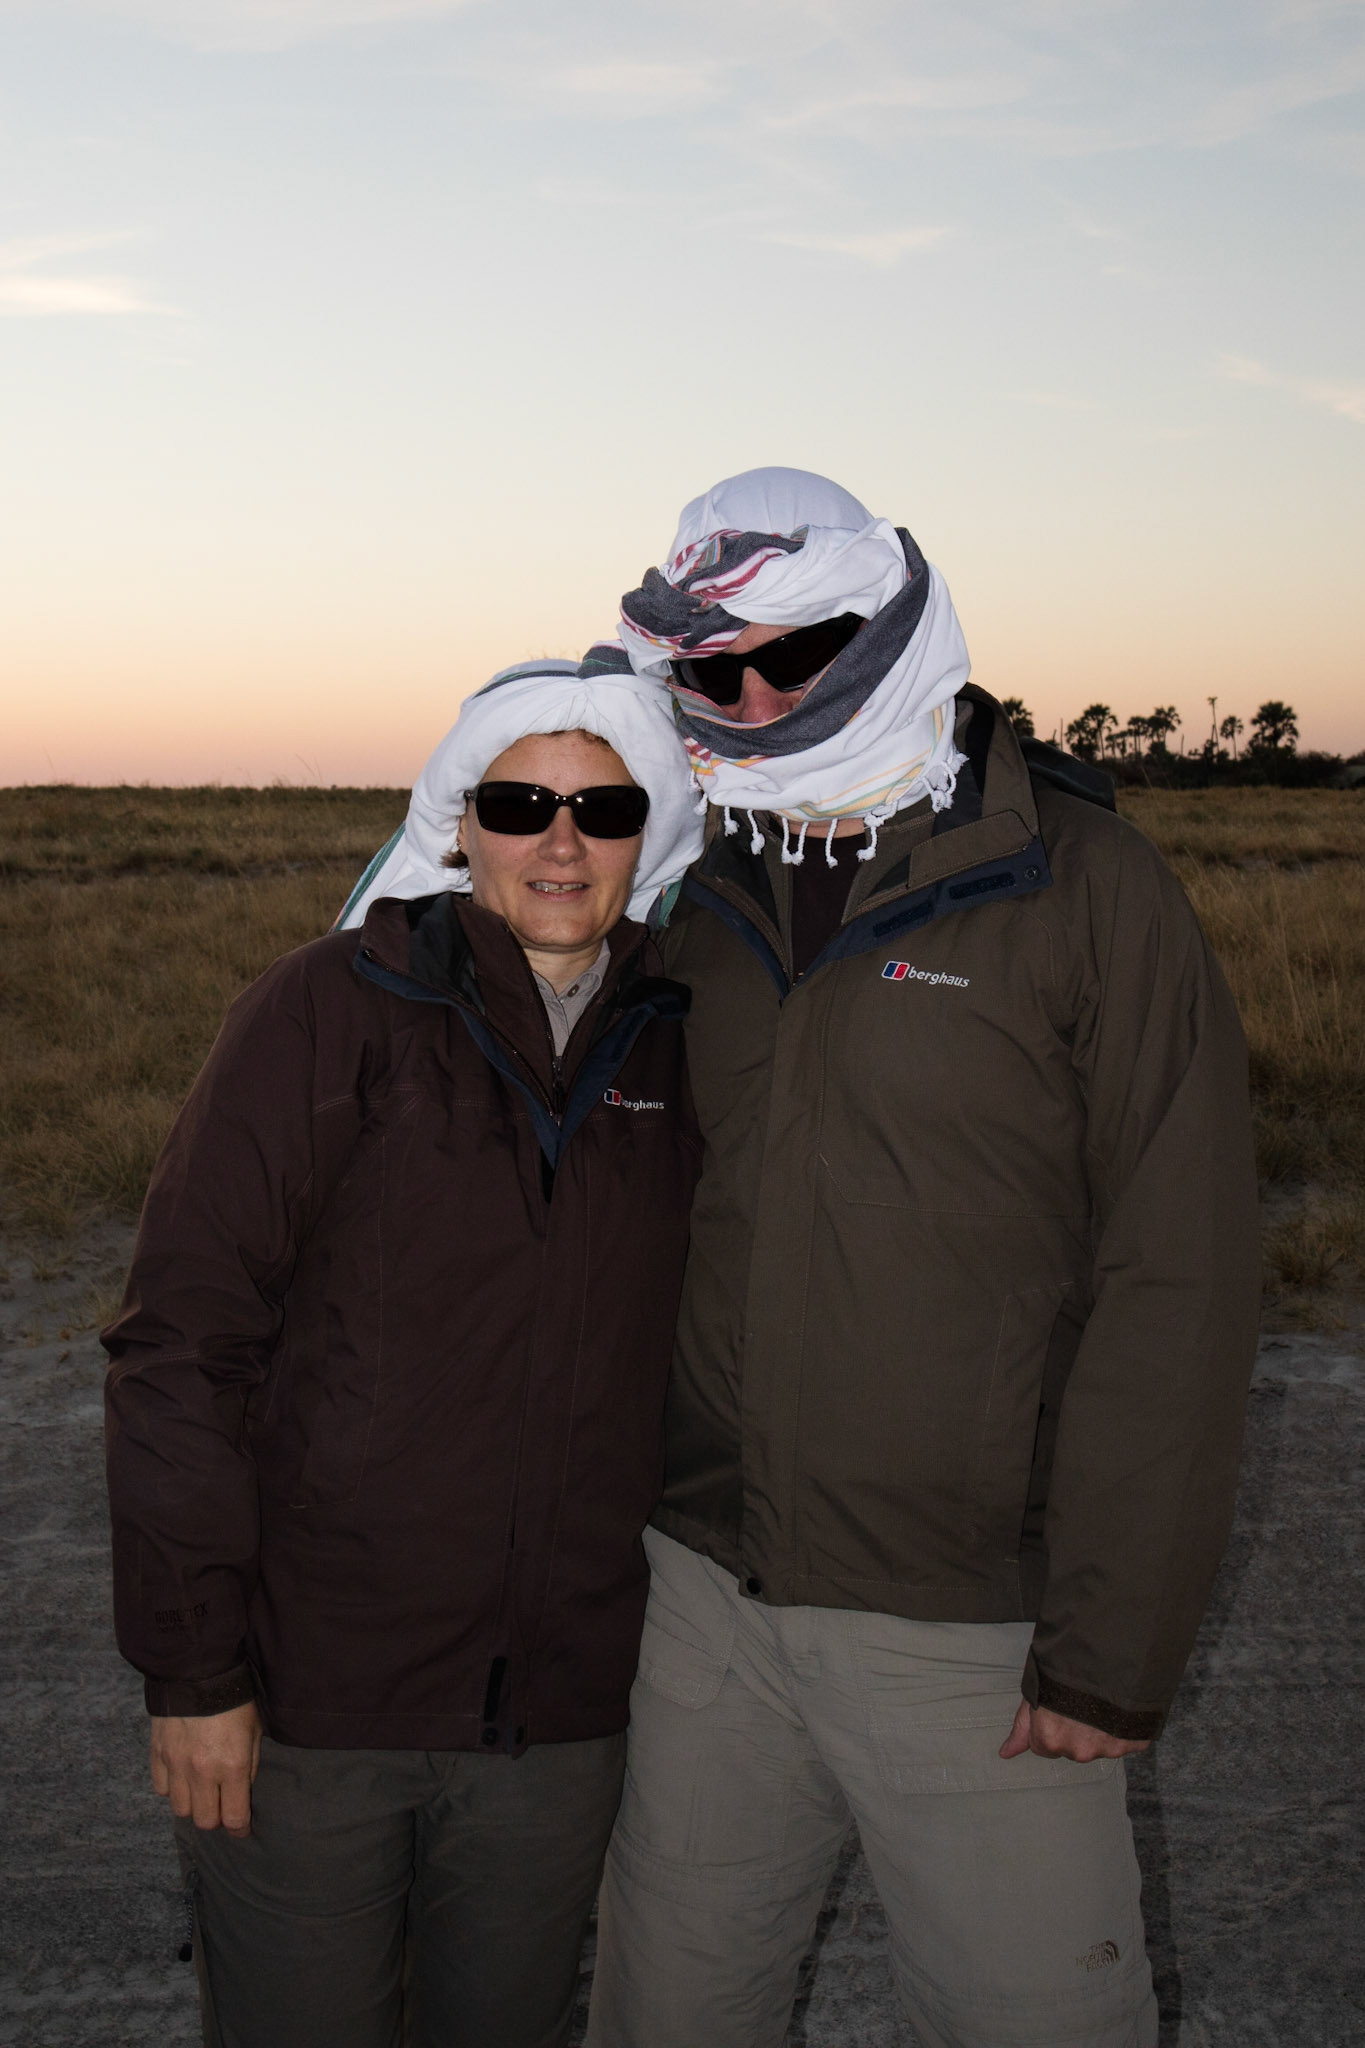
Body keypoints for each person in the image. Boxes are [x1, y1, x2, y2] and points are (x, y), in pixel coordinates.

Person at [581, 469, 1262, 2048]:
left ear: (889, 619)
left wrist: (1108, 1651)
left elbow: (1182, 1283)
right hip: (703, 1607)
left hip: (973, 1635)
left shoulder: (1085, 887)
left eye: (793, 650)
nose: (748, 695)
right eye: (706, 669)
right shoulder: (691, 879)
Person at [102, 658, 706, 2048]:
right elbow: (181, 1347)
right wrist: (196, 1676)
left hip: (558, 1723)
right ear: (459, 824)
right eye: (519, 802)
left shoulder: (687, 1043)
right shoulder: (325, 1008)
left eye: (602, 808)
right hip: (316, 1705)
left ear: (650, 832)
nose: (561, 840)